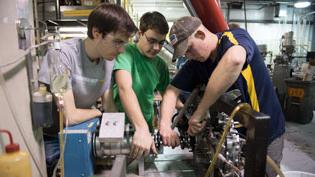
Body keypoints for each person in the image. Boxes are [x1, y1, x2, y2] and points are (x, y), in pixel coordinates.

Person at [159, 16, 285, 177]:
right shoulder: (197, 64)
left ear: (200, 35)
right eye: (185, 53)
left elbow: (234, 59)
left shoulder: (233, 37)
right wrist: (164, 125)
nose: (189, 56)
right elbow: (171, 91)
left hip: (265, 135)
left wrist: (200, 112)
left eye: (189, 49)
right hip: (233, 138)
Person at [38, 3, 137, 176]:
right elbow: (69, 116)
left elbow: (109, 104)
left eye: (124, 44)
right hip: (55, 142)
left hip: (88, 134)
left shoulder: (108, 59)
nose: (121, 50)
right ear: (96, 33)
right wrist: (97, 113)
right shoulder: (60, 56)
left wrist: (118, 133)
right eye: (117, 42)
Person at [112, 11, 170, 159]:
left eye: (161, 43)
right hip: (120, 130)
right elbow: (125, 88)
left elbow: (169, 96)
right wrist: (141, 128)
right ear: (140, 33)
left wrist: (171, 123)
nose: (157, 47)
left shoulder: (160, 65)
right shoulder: (125, 53)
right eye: (152, 40)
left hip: (146, 133)